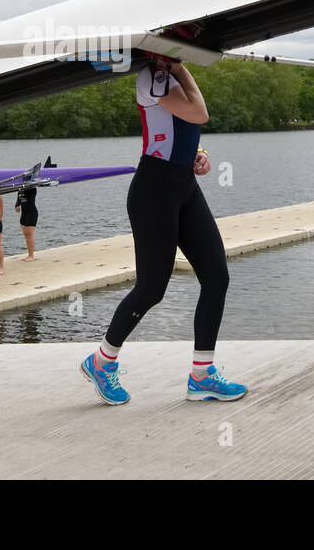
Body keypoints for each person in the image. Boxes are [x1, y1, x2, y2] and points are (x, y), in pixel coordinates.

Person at [80, 54, 246, 405]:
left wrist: (197, 152)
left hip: (183, 185)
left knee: (217, 277)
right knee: (151, 288)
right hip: (154, 190)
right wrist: (180, 68)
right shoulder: (150, 75)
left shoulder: (168, 74)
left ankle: (202, 376)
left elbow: (181, 126)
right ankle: (101, 361)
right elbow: (200, 113)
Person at [15, 185, 39, 261]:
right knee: (26, 234)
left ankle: (31, 256)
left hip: (31, 213)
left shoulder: (32, 188)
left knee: (29, 234)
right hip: (24, 213)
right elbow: (19, 198)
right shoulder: (20, 188)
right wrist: (17, 205)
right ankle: (29, 254)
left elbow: (30, 199)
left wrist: (26, 188)